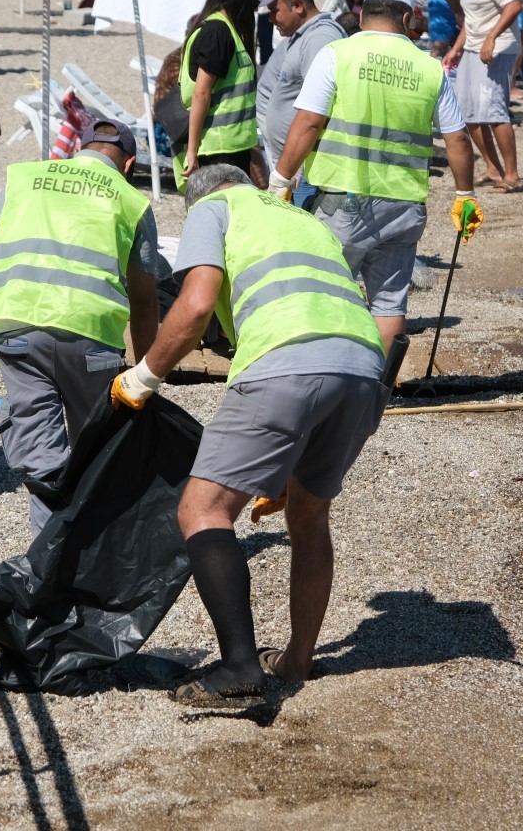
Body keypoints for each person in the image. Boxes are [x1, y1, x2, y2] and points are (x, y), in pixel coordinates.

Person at [110, 162, 390, 708]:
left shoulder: (213, 209)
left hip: (284, 361)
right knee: (308, 512)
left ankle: (239, 667)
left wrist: (143, 377)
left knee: (203, 509)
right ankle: (298, 660)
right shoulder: (305, 219)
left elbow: (193, 305)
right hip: (363, 367)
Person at [0, 119, 159, 537]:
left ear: (80, 149)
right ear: (128, 165)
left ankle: (47, 571)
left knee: (44, 463)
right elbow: (145, 300)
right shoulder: (131, 200)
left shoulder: (23, 179)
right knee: (98, 453)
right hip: (91, 341)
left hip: (19, 332)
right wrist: (146, 374)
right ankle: (101, 549)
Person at [274, 0, 481, 353]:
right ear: (406, 18)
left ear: (362, 15)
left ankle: (326, 376)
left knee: (324, 292)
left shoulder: (337, 54)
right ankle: (376, 390)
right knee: (388, 304)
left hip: (342, 201)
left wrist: (280, 179)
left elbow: (308, 123)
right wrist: (465, 195)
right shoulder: (429, 69)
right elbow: (458, 139)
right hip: (403, 205)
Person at [254, 0, 346, 206]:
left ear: (297, 5)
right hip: (296, 167)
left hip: (305, 170)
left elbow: (316, 113)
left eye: (275, 11)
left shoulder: (319, 38)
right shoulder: (304, 35)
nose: (271, 19)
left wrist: (286, 174)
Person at [443, 0, 523, 191]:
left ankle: (513, 175)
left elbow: (515, 5)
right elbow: (472, 20)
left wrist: (491, 38)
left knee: (493, 111)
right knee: (467, 114)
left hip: (497, 49)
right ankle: (493, 168)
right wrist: (456, 49)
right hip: (472, 49)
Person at [177, 0, 263, 193]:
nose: (256, 7)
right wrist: (192, 152)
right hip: (217, 147)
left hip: (232, 145)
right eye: (254, 0)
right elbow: (201, 92)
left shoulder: (227, 31)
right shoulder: (217, 32)